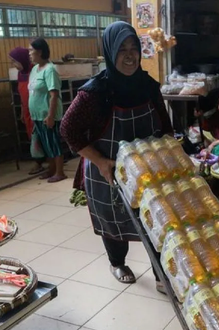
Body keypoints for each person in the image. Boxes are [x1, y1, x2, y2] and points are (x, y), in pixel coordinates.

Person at [61, 22, 173, 291]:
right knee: (113, 220)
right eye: (122, 49)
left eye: (134, 48)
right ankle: (117, 262)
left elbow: (165, 126)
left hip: (146, 168)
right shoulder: (94, 92)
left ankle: (161, 275)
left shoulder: (147, 85)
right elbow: (68, 129)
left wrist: (173, 159)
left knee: (155, 221)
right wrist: (99, 161)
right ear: (110, 52)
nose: (129, 55)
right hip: (107, 167)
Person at [28, 38, 66, 183]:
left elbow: (54, 94)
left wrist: (50, 115)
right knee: (45, 144)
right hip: (37, 115)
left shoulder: (50, 70)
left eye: (31, 50)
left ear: (40, 51)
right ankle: (51, 170)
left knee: (53, 143)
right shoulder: (34, 69)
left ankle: (60, 172)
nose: (29, 54)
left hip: (48, 114)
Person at [9, 47, 45, 175]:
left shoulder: (34, 71)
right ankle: (41, 160)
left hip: (38, 109)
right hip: (27, 110)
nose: (13, 65)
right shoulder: (20, 74)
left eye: (14, 61)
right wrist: (21, 112)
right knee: (32, 135)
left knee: (39, 136)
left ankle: (40, 162)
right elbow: (22, 96)